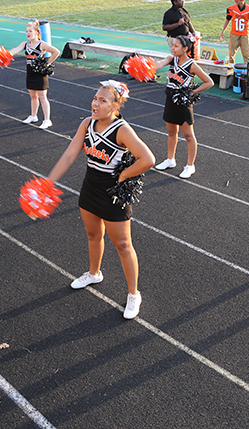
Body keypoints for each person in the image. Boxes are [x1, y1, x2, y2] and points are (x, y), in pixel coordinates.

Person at [46, 80, 155, 319]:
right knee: (93, 235)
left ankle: (133, 295)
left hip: (113, 195)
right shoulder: (87, 124)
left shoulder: (122, 130)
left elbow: (147, 159)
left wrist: (123, 175)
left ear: (116, 105)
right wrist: (49, 182)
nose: (95, 103)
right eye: (95, 98)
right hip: (90, 189)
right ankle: (94, 273)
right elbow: (70, 154)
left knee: (123, 245)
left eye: (102, 100)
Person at [152, 35, 214, 179]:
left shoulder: (192, 65)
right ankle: (170, 159)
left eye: (176, 46)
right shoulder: (171, 59)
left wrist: (191, 91)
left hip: (183, 103)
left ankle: (190, 166)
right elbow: (159, 64)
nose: (172, 48)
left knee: (188, 135)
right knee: (171, 132)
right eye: (172, 45)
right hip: (170, 99)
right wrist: (147, 65)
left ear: (185, 49)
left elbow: (209, 82)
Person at [9, 21, 60, 129]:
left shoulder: (41, 44)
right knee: (32, 96)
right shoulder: (25, 44)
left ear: (36, 32)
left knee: (42, 97)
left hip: (40, 73)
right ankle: (33, 116)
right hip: (30, 72)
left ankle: (47, 120)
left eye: (30, 31)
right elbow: (15, 50)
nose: (28, 33)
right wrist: (5, 53)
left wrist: (47, 63)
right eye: (26, 31)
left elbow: (56, 51)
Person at [218, 0, 249, 65]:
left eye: (237, 0)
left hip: (244, 35)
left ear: (242, 0)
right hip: (234, 34)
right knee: (231, 55)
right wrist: (223, 31)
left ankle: (248, 71)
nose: (235, 1)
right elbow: (227, 20)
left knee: (247, 55)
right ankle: (230, 70)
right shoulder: (231, 9)